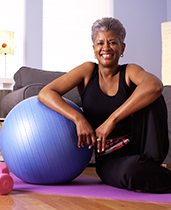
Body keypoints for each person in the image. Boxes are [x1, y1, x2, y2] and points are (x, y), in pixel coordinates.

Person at [38, 17, 171, 193]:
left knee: (152, 95)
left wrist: (112, 120)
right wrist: (79, 118)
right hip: (110, 158)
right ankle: (149, 173)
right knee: (132, 172)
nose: (106, 48)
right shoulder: (87, 71)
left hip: (144, 148)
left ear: (122, 48)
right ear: (94, 49)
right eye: (100, 43)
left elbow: (155, 85)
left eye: (112, 42)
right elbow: (45, 93)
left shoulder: (129, 71)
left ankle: (150, 168)